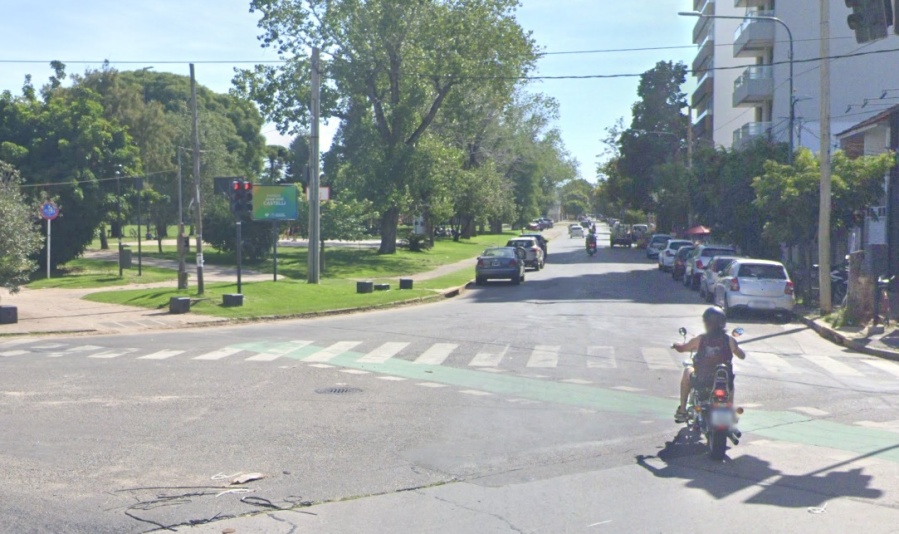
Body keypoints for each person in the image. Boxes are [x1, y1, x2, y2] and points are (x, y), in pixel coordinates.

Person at [671, 307, 745, 423]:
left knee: (687, 371)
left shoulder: (701, 339)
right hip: (723, 382)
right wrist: (737, 350)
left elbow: (683, 348)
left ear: (706, 322)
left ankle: (683, 411)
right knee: (729, 381)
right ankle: (729, 408)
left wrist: (676, 345)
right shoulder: (729, 340)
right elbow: (742, 355)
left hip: (702, 380)